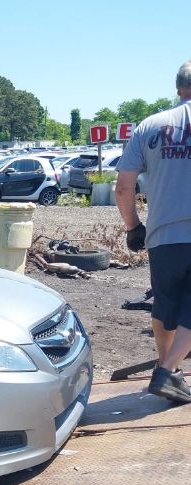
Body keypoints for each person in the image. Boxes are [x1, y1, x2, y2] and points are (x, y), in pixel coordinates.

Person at [116, 60, 191, 403]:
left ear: (178, 89)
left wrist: (133, 227)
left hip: (163, 236)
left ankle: (171, 373)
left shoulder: (150, 126)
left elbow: (122, 187)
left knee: (166, 306)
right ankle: (167, 371)